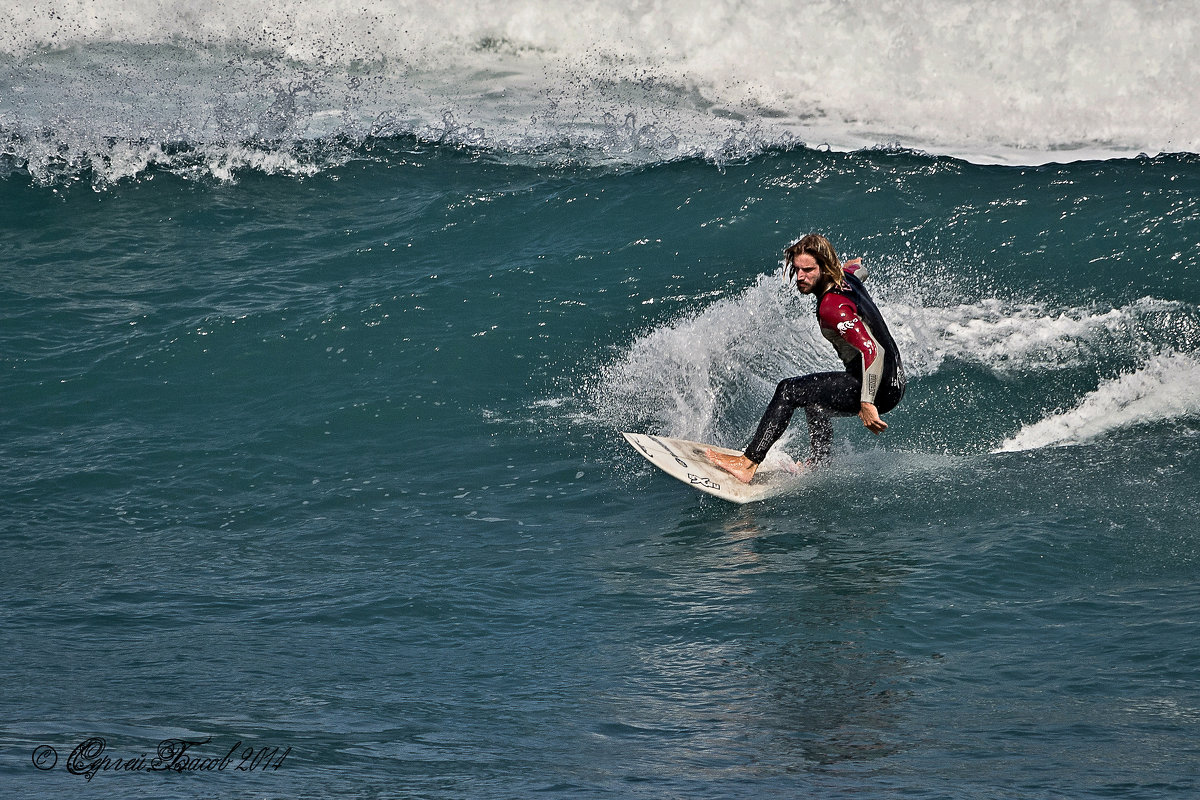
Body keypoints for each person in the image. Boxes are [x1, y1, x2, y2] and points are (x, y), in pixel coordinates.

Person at [706, 234, 905, 483]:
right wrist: (854, 265)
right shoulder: (847, 276)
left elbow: (873, 352)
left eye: (808, 270)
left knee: (789, 390)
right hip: (895, 379)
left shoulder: (831, 307)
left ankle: (747, 464)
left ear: (825, 268)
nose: (800, 277)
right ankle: (821, 463)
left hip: (876, 385)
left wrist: (867, 403)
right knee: (814, 398)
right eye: (797, 269)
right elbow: (858, 268)